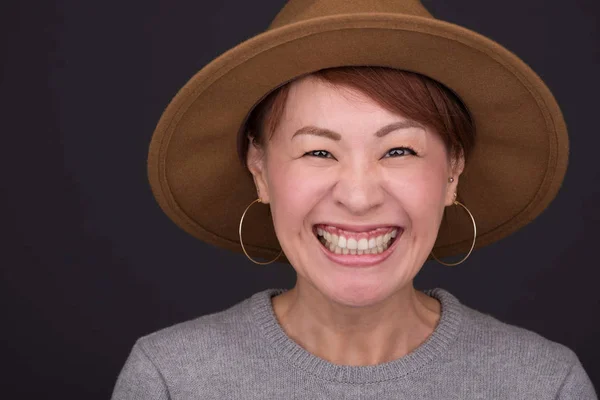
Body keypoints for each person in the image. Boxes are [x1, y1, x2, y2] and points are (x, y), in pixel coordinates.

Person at [112, 0, 597, 398]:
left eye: (400, 150)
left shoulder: (543, 384)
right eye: (319, 151)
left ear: (452, 173)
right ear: (259, 171)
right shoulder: (171, 380)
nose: (360, 196)